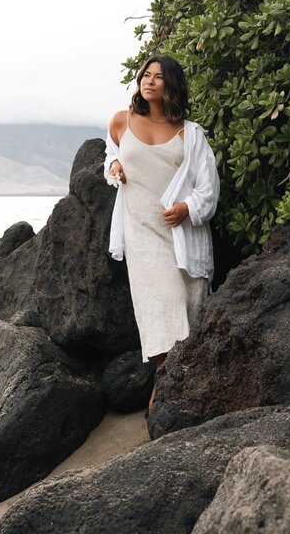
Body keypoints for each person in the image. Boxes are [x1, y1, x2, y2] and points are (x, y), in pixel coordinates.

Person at [104, 54, 219, 408]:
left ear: (171, 85)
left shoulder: (190, 133)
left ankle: (176, 389)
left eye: (158, 77)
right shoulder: (122, 121)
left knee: (188, 309)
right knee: (159, 306)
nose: (149, 80)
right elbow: (110, 154)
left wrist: (187, 208)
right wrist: (115, 165)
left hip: (180, 235)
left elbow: (209, 188)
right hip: (140, 232)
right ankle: (164, 389)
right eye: (145, 74)